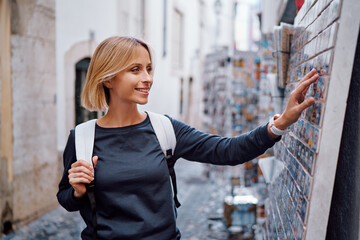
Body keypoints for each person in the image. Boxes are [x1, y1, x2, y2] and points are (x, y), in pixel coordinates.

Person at [57, 36, 319, 240]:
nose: (147, 78)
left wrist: (280, 124)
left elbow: (227, 151)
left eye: (149, 68)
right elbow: (66, 198)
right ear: (109, 78)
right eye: (135, 70)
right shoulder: (81, 137)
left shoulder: (165, 129)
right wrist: (78, 192)